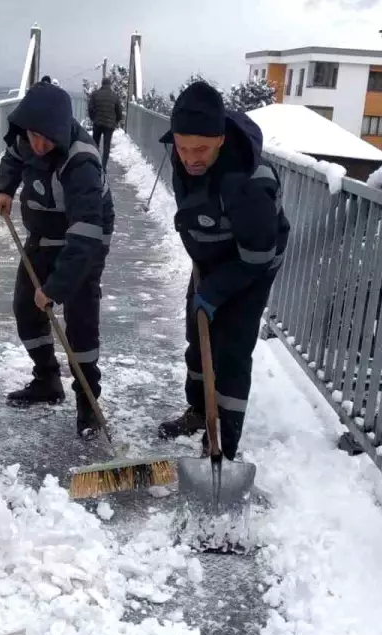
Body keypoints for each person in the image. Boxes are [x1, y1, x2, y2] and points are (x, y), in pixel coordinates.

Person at [155, 81, 290, 461]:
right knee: (197, 338)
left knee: (230, 349)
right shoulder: (185, 157)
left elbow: (258, 255)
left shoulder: (248, 184)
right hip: (211, 258)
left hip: (252, 263)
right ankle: (199, 412)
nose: (190, 158)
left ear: (220, 139)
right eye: (182, 148)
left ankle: (222, 444)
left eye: (200, 149)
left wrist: (215, 291)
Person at [0, 82, 115, 439]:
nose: (39, 145)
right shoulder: (26, 139)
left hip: (85, 239)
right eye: (33, 135)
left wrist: (55, 288)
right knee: (26, 307)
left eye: (47, 138)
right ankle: (47, 380)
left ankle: (88, 404)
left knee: (80, 320)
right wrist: (3, 188)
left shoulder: (82, 162)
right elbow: (14, 156)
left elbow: (85, 236)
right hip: (43, 234)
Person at [87, 78, 123, 171]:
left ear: (102, 84)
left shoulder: (95, 94)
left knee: (95, 144)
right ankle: (103, 166)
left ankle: (94, 164)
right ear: (110, 84)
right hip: (109, 126)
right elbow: (119, 112)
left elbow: (90, 108)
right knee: (106, 147)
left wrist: (93, 118)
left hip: (97, 123)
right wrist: (115, 122)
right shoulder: (114, 96)